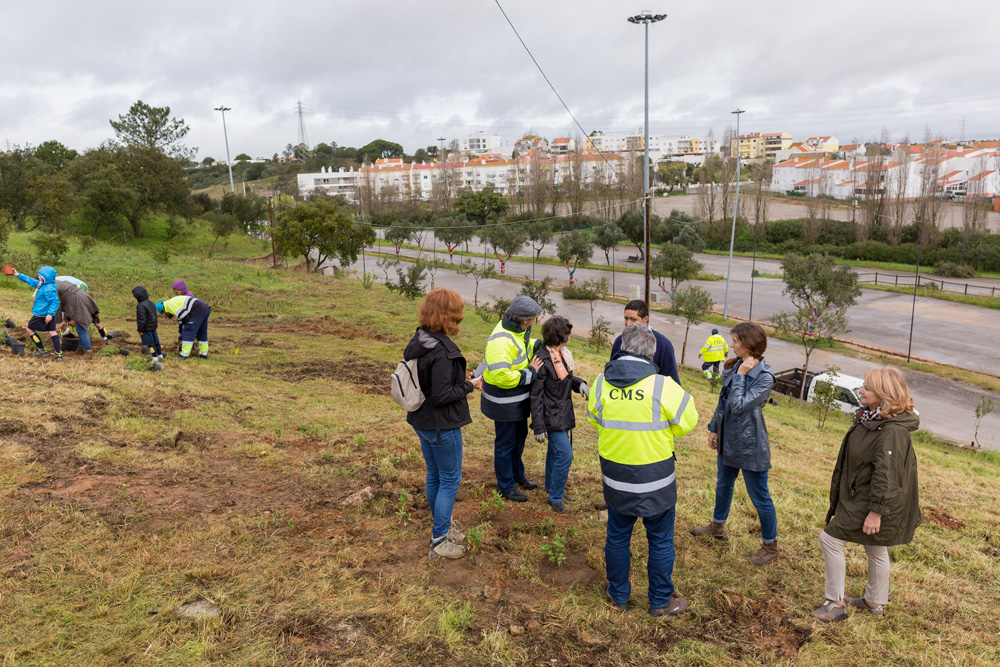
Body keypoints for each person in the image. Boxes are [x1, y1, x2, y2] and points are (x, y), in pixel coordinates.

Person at [587, 323, 698, 616]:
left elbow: (595, 418)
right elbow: (688, 422)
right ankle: (661, 602)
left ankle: (618, 595)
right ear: (652, 356)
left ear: (622, 348)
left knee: (617, 535)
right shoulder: (663, 386)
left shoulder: (600, 382)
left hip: (616, 479)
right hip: (656, 481)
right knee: (660, 540)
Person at [811, 367, 921, 623]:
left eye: (867, 388)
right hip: (862, 494)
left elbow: (887, 475)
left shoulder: (892, 430)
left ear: (884, 394)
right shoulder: (873, 419)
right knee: (875, 546)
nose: (861, 391)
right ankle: (874, 602)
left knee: (829, 539)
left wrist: (876, 512)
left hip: (871, 499)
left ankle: (835, 603)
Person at [691, 322, 779, 566]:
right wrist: (713, 428)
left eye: (736, 342)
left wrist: (740, 377)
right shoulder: (735, 366)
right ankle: (717, 526)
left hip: (750, 446)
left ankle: (770, 545)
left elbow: (738, 407)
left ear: (749, 346)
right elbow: (723, 402)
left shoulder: (764, 377)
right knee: (723, 485)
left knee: (760, 496)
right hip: (727, 438)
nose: (731, 345)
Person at [404, 288, 481, 560]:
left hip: (421, 420)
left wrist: (461, 381)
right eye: (458, 312)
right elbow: (442, 395)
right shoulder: (444, 351)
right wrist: (470, 385)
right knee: (450, 479)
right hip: (442, 425)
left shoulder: (420, 339)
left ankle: (443, 528)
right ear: (451, 315)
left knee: (435, 475)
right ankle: (439, 540)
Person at [481, 296, 544, 503]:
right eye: (534, 318)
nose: (534, 321)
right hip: (503, 402)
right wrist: (531, 372)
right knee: (505, 444)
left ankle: (517, 476)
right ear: (524, 320)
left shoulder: (517, 329)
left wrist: (538, 345)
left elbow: (521, 347)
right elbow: (502, 377)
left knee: (518, 439)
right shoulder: (500, 340)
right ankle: (505, 487)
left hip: (516, 400)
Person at [529, 316, 588, 513]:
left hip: (562, 414)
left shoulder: (561, 355)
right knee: (564, 455)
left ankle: (551, 487)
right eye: (568, 333)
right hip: (550, 417)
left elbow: (567, 379)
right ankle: (555, 497)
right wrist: (538, 426)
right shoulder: (542, 360)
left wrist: (579, 384)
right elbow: (535, 396)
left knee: (555, 454)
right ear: (559, 337)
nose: (570, 335)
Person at [610, 299, 679, 385]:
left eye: (633, 319)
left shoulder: (663, 344)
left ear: (645, 319)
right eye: (626, 318)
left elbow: (673, 382)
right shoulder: (619, 341)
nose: (628, 323)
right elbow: (612, 371)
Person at [9, 265, 62, 361]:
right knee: (52, 332)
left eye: (39, 275)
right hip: (48, 314)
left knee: (29, 329)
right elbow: (31, 281)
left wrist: (49, 314)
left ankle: (41, 350)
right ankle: (58, 353)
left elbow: (54, 302)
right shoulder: (46, 284)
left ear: (45, 277)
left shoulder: (47, 288)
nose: (38, 277)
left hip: (41, 314)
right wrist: (18, 274)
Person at [55, 281, 104, 355]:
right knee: (80, 328)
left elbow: (59, 305)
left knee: (81, 328)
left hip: (79, 302)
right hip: (80, 300)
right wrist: (65, 321)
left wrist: (57, 323)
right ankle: (82, 348)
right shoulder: (59, 283)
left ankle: (87, 350)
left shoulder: (54, 287)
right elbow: (66, 305)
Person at [156, 293, 211, 360]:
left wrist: (186, 330)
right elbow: (181, 321)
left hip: (197, 310)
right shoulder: (172, 303)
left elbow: (184, 316)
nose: (166, 315)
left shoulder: (170, 306)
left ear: (163, 310)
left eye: (164, 313)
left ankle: (184, 355)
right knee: (201, 332)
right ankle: (203, 354)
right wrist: (180, 332)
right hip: (205, 308)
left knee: (188, 331)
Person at [133, 286, 163, 360]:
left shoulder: (140, 306)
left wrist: (140, 330)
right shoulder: (151, 303)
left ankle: (154, 358)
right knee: (156, 342)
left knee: (150, 343)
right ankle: (160, 355)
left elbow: (141, 319)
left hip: (146, 329)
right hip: (153, 327)